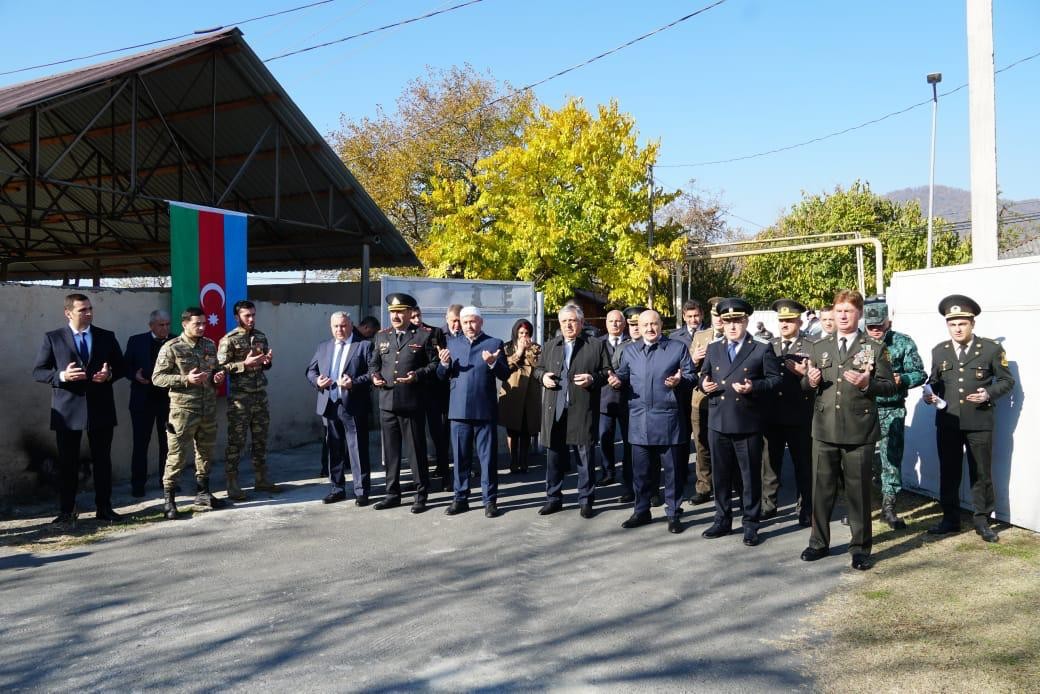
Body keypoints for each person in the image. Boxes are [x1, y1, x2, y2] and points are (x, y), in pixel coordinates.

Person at [800, 290, 896, 571]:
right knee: (821, 491)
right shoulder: (819, 347)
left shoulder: (874, 348)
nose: (842, 316)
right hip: (824, 429)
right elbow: (806, 388)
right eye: (839, 311)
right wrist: (811, 380)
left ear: (859, 315)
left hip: (858, 431)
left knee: (859, 494)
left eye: (849, 311)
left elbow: (890, 386)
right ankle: (818, 542)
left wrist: (868, 384)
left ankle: (860, 548)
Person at [923, 295, 1014, 542]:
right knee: (949, 471)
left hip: (979, 422)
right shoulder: (939, 350)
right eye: (953, 324)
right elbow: (933, 382)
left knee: (981, 472)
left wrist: (988, 393)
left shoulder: (991, 349)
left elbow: (1007, 381)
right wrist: (929, 396)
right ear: (947, 326)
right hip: (948, 421)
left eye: (962, 323)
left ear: (972, 324)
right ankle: (950, 519)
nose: (957, 328)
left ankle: (982, 521)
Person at [33, 293, 126, 529]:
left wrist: (109, 375)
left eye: (90, 309)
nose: (89, 313)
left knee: (102, 460)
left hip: (101, 408)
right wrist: (62, 376)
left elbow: (122, 366)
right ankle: (67, 510)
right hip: (68, 410)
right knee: (67, 463)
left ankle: (104, 508)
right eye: (82, 310)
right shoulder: (53, 338)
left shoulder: (106, 336)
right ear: (68, 313)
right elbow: (39, 371)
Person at [698, 298, 782, 546]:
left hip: (746, 422)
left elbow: (775, 380)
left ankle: (750, 523)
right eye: (728, 322)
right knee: (721, 476)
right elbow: (703, 373)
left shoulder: (760, 348)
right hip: (718, 420)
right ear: (721, 323)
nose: (733, 326)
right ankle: (722, 519)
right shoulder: (714, 348)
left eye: (737, 321)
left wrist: (753, 387)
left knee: (749, 477)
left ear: (746, 321)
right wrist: (703, 384)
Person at [611, 310, 696, 533]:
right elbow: (622, 374)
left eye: (654, 324)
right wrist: (616, 380)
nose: (649, 329)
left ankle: (674, 513)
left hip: (669, 419)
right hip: (639, 421)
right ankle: (641, 511)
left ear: (661, 326)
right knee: (640, 473)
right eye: (645, 324)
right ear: (638, 326)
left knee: (673, 473)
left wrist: (680, 380)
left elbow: (691, 376)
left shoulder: (677, 348)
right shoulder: (630, 351)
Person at [151, 307, 228, 520]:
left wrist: (217, 378)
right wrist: (185, 379)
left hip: (208, 410)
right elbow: (157, 378)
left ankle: (203, 493)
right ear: (185, 324)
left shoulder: (209, 345)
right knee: (176, 455)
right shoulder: (172, 347)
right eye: (198, 324)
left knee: (205, 453)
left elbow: (214, 372)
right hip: (183, 412)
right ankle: (170, 501)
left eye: (204, 323)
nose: (202, 327)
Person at [535, 306, 610, 517]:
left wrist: (593, 379)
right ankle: (554, 498)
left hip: (582, 408)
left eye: (573, 320)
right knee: (554, 457)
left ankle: (586, 500)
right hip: (556, 408)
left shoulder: (595, 345)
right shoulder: (550, 346)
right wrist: (543, 377)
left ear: (581, 322)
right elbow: (538, 369)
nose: (568, 325)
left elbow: (606, 371)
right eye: (564, 321)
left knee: (584, 456)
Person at [436, 306, 510, 517]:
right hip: (458, 411)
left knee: (487, 459)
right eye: (465, 322)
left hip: (484, 410)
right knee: (460, 458)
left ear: (481, 322)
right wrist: (443, 363)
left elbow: (505, 374)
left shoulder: (494, 343)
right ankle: (460, 498)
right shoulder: (451, 343)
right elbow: (441, 376)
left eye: (473, 321)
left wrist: (493, 363)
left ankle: (489, 500)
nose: (469, 326)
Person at [369, 294, 439, 513]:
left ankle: (421, 494)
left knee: (416, 451)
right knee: (391, 453)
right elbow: (373, 363)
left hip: (412, 403)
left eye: (400, 312)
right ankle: (392, 494)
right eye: (392, 312)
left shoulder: (424, 335)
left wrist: (416, 376)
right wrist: (375, 376)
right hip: (387, 402)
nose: (395, 316)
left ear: (410, 313)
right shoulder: (382, 336)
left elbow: (434, 365)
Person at [863, 296, 926, 530]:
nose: (875, 330)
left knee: (891, 459)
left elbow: (920, 373)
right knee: (862, 460)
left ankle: (889, 508)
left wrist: (903, 379)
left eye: (879, 325)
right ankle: (864, 507)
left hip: (892, 408)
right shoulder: (858, 343)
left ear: (888, 322)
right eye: (871, 327)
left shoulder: (903, 342)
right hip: (864, 410)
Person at [307, 311, 373, 506]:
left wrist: (354, 383)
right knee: (333, 447)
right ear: (331, 327)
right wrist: (317, 381)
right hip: (329, 404)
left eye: (343, 326)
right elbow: (310, 370)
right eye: (335, 326)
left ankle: (361, 491)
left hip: (353, 404)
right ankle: (337, 488)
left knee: (357, 448)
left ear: (351, 325)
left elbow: (373, 373)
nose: (339, 330)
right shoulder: (323, 347)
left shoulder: (363, 346)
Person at [761, 299, 815, 525]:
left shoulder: (811, 346)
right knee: (770, 463)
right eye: (781, 320)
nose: (784, 324)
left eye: (789, 320)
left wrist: (804, 375)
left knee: (803, 463)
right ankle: (768, 505)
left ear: (799, 321)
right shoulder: (768, 345)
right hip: (772, 414)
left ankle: (805, 507)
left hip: (799, 413)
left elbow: (816, 382)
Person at [218, 300, 279, 500]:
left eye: (253, 315)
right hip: (240, 399)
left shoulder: (260, 336)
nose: (251, 319)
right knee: (237, 441)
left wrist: (266, 362)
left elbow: (264, 365)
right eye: (247, 315)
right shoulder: (229, 339)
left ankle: (261, 479)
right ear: (237, 317)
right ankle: (232, 482)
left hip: (260, 395)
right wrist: (244, 364)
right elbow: (220, 369)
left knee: (260, 439)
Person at [123, 309, 172, 498]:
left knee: (168, 444)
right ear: (151, 325)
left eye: (167, 324)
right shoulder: (136, 341)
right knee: (140, 444)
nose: (165, 328)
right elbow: (125, 366)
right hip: (142, 401)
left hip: (168, 402)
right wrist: (134, 375)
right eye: (161, 325)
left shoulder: (175, 341)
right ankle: (138, 484)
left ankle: (167, 481)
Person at [686, 296, 725, 505]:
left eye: (721, 315)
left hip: (726, 398)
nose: (718, 319)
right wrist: (694, 359)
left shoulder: (735, 336)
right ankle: (704, 486)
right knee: (701, 444)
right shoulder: (701, 336)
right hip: (700, 399)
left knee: (725, 443)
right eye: (715, 315)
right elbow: (687, 369)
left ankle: (727, 485)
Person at [412, 304, 451, 488]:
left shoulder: (434, 332)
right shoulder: (404, 335)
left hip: (435, 392)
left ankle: (445, 474)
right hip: (413, 394)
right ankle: (420, 479)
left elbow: (441, 360)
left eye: (418, 315)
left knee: (439, 435)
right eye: (412, 317)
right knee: (416, 437)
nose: (416, 319)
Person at [499, 318, 542, 474]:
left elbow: (539, 367)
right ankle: (513, 460)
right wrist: (518, 353)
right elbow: (504, 367)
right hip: (512, 393)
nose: (524, 336)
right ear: (515, 333)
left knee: (526, 429)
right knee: (512, 429)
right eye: (521, 333)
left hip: (530, 394)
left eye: (527, 333)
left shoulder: (536, 348)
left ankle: (524, 461)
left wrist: (529, 351)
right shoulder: (507, 347)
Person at [596, 309, 628, 487]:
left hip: (627, 399)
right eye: (611, 321)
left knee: (628, 439)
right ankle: (608, 472)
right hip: (605, 399)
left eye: (618, 321)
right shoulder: (598, 343)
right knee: (605, 437)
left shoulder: (632, 342)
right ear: (606, 323)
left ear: (623, 324)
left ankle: (628, 472)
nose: (615, 324)